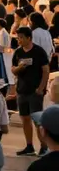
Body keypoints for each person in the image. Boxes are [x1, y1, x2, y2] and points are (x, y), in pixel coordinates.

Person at [12, 27, 50, 157]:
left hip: (35, 91)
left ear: (29, 38)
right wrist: (19, 68)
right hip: (22, 90)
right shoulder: (18, 52)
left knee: (37, 120)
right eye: (18, 38)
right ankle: (29, 146)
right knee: (25, 119)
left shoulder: (39, 52)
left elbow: (45, 70)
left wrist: (41, 88)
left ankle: (44, 147)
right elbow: (13, 70)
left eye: (21, 37)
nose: (19, 40)